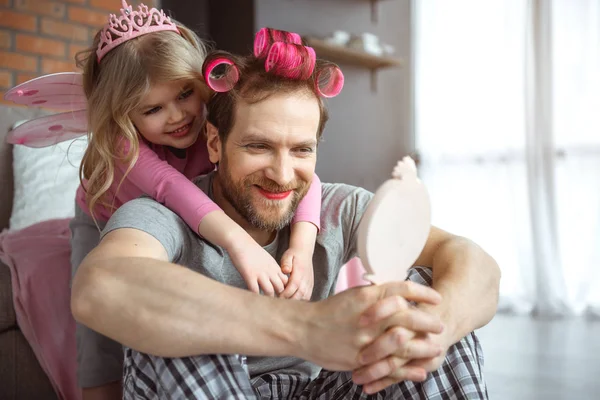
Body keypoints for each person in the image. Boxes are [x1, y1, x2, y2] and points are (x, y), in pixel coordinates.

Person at [71, 27, 500, 399]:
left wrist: (437, 330)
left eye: (301, 150)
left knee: (424, 305)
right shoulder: (161, 213)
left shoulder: (338, 206)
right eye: (258, 146)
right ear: (215, 143)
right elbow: (100, 283)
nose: (281, 174)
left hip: (318, 389)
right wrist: (308, 328)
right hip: (204, 377)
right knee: (177, 325)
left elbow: (474, 263)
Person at [66, 2, 322, 399]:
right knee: (98, 332)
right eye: (153, 109)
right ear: (123, 115)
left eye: (185, 93)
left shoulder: (214, 123)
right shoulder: (123, 144)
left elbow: (309, 181)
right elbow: (172, 188)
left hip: (188, 212)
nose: (177, 116)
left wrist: (302, 250)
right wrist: (239, 243)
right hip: (107, 215)